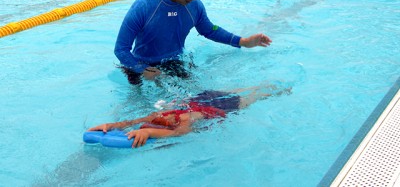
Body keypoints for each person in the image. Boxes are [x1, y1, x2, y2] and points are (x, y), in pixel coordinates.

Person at [114, 0, 272, 84]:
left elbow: (209, 30)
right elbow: (121, 49)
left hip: (174, 63)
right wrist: (141, 69)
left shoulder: (194, 6)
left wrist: (243, 41)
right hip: (140, 65)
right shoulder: (144, 6)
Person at [88, 85, 291, 148]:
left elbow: (182, 132)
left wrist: (150, 131)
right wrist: (110, 125)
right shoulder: (159, 114)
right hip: (201, 98)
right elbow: (132, 122)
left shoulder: (184, 119)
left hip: (218, 105)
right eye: (157, 123)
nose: (161, 119)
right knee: (238, 90)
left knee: (249, 100)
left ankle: (276, 91)